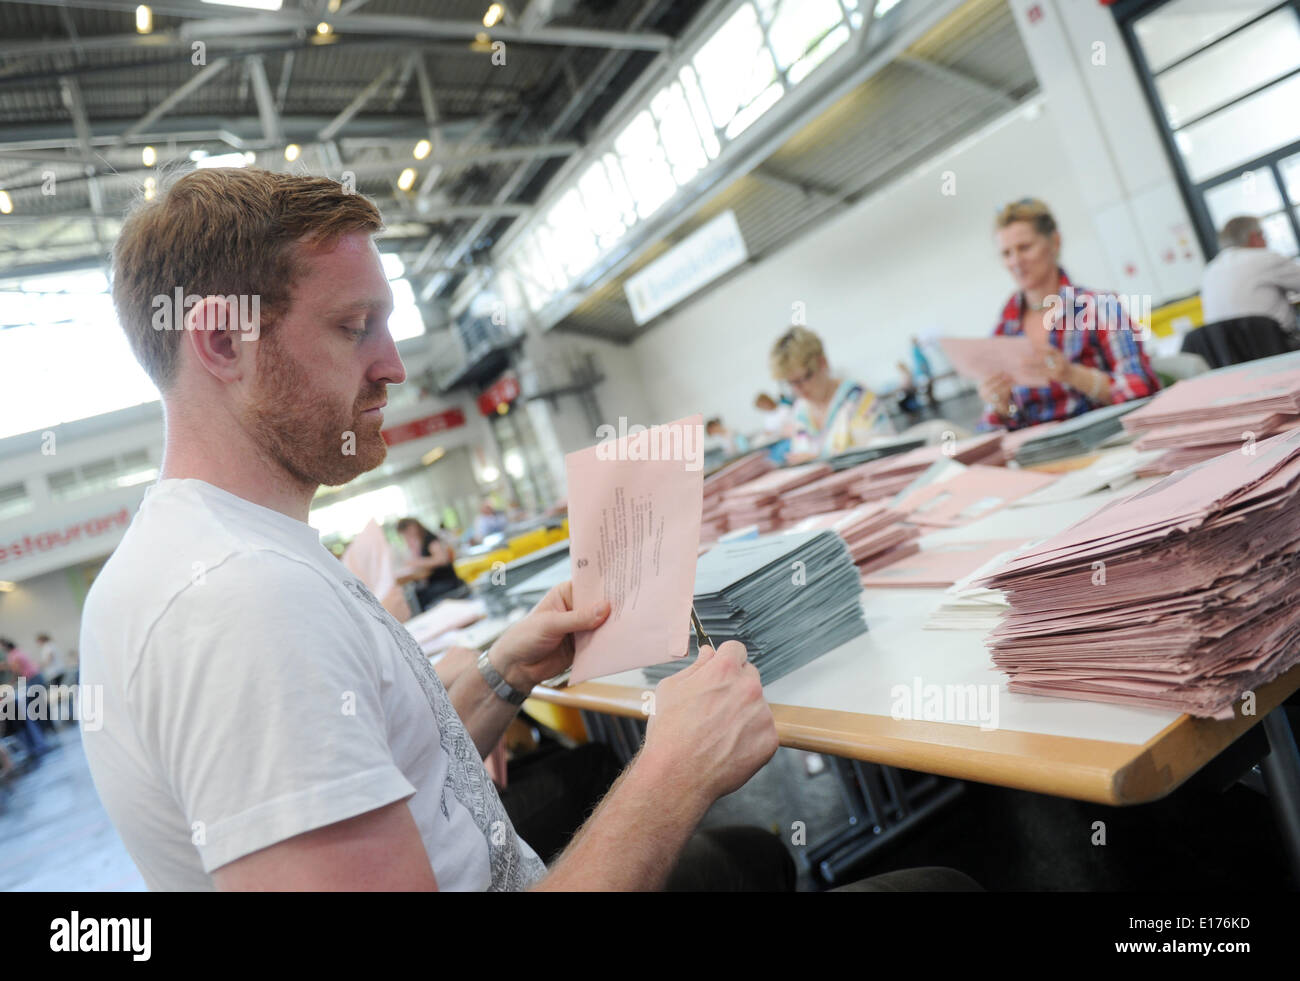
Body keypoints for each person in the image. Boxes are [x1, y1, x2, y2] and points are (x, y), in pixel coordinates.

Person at [79, 167, 784, 892]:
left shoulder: (225, 550)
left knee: (752, 860)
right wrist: (674, 770)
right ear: (225, 342)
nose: (394, 366)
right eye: (354, 328)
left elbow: (393, 767)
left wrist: (502, 673)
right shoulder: (241, 603)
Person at [977, 198, 1161, 431]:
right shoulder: (1002, 331)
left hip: (1106, 442)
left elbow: (1141, 390)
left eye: (1024, 248)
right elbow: (989, 429)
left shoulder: (1100, 307)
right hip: (1039, 454)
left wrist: (1072, 374)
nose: (1015, 261)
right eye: (1006, 253)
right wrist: (1000, 406)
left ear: (1054, 242)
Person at [769, 326, 893, 462]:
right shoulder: (800, 412)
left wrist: (821, 461)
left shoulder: (858, 399)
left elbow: (880, 454)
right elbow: (801, 451)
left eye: (805, 378)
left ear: (822, 363)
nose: (799, 389)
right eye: (792, 383)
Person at [1201, 216, 1300, 331]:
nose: (1266, 241)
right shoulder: (1266, 258)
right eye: (1264, 236)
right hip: (1276, 343)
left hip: (1227, 347)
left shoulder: (1210, 270)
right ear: (1254, 237)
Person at [395, 516, 466, 611]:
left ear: (412, 528)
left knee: (421, 597)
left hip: (447, 581)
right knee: (417, 594)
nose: (406, 537)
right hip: (437, 582)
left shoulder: (430, 539)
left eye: (406, 534)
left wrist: (418, 562)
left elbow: (442, 559)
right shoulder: (420, 541)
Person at [2, 638, 50, 763]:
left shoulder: (12, 656)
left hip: (31, 679)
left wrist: (11, 683)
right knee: (36, 711)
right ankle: (42, 739)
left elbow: (17, 671)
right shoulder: (18, 652)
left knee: (33, 712)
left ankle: (39, 743)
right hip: (35, 677)